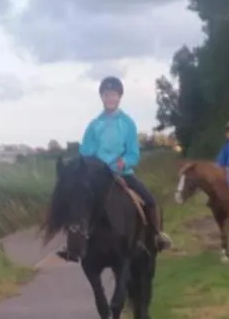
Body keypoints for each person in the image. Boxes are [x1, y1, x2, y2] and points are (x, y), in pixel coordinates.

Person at [56, 76, 172, 262]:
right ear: (102, 97)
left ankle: (156, 236)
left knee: (150, 199)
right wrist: (95, 166)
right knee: (77, 201)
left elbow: (133, 154)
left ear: (119, 97)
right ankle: (72, 245)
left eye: (113, 95)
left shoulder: (127, 123)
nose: (110, 98)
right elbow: (86, 152)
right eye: (106, 94)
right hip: (97, 177)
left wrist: (120, 164)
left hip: (122, 173)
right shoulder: (94, 126)